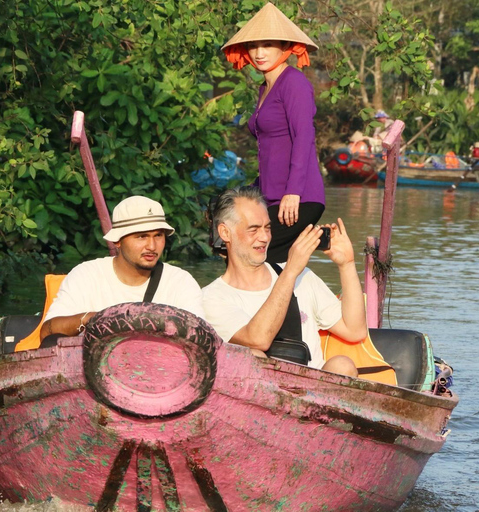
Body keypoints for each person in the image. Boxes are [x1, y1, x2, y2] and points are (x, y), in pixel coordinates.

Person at [202, 187, 365, 377]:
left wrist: (347, 264)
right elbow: (258, 340)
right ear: (225, 232)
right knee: (253, 357)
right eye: (253, 229)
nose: (264, 238)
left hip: (316, 396)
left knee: (342, 364)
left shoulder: (303, 276)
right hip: (262, 397)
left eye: (267, 228)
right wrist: (290, 272)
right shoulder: (211, 298)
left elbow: (355, 331)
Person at [221, 2, 324, 264]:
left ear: (284, 47)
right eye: (253, 46)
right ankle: (318, 240)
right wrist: (247, 191)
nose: (258, 52)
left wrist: (293, 192)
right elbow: (272, 150)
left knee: (252, 258)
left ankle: (320, 238)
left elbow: (303, 137)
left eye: (267, 44)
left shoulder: (294, 82)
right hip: (270, 198)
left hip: (297, 197)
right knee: (236, 250)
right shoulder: (264, 89)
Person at [39, 195, 205, 342]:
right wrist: (91, 319)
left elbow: (199, 338)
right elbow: (47, 334)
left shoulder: (181, 282)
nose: (152, 246)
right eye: (142, 236)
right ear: (117, 241)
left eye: (158, 235)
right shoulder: (86, 275)